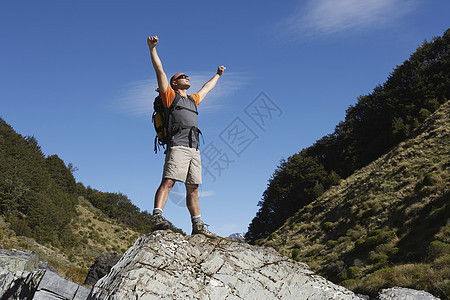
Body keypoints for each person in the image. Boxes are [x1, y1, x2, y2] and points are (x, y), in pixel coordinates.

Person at [147, 35, 225, 239]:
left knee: (193, 188)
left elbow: (207, 88)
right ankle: (156, 217)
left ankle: (197, 226)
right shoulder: (169, 96)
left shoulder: (193, 100)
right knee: (169, 180)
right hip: (178, 146)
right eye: (184, 76)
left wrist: (218, 75)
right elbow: (159, 70)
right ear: (174, 82)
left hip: (194, 149)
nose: (188, 77)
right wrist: (152, 49)